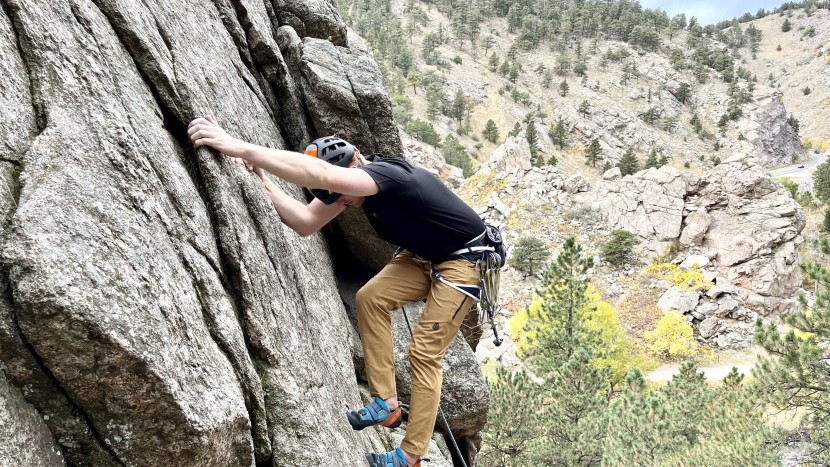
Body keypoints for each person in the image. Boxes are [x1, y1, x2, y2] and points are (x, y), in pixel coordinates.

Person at [188, 117, 488, 467]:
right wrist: (263, 181)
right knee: (371, 298)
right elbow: (304, 222)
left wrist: (238, 145)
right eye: (339, 199)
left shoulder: (380, 177)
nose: (344, 202)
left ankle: (410, 455)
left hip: (464, 260)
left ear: (355, 161)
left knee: (424, 352)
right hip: (425, 256)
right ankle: (385, 404)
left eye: (344, 195)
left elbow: (326, 178)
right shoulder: (350, 192)